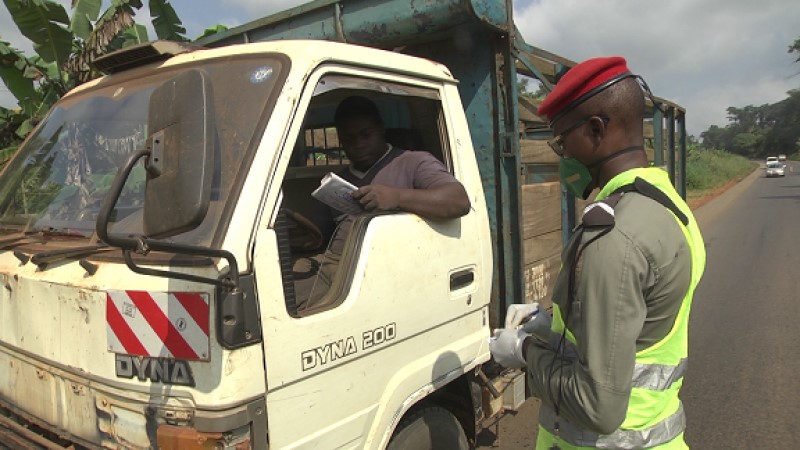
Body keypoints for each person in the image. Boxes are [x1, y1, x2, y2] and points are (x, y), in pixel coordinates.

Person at [489, 56, 706, 449]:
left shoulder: (614, 236)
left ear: (594, 130)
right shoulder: (668, 205)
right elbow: (640, 324)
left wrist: (523, 351)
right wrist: (552, 323)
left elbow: (597, 405)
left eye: (560, 140)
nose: (560, 153)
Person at [297, 95, 471, 309]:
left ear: (381, 129)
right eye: (349, 138)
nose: (359, 144)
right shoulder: (337, 181)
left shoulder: (413, 162)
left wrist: (397, 197)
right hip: (335, 265)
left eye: (366, 134)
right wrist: (299, 233)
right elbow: (319, 233)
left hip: (388, 271)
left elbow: (458, 200)